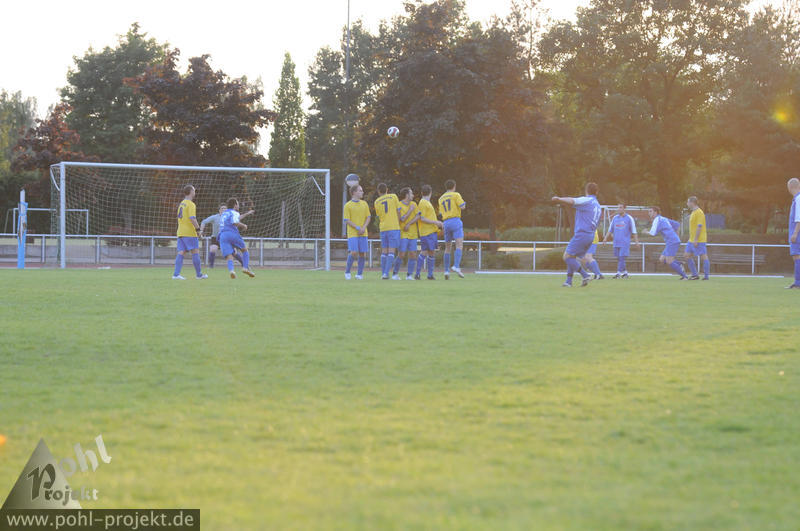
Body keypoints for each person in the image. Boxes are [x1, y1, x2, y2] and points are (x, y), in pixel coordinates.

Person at [551, 183, 601, 287]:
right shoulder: (597, 205)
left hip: (582, 234)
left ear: (586, 191)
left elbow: (572, 200)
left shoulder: (587, 200)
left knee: (566, 257)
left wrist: (559, 199)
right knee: (572, 256)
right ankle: (568, 281)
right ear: (597, 192)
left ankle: (585, 275)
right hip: (591, 235)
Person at [199, 204, 252, 268]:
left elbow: (238, 217)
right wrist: (201, 230)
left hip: (225, 237)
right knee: (213, 249)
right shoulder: (215, 217)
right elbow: (204, 222)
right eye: (222, 208)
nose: (224, 210)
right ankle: (211, 266)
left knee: (234, 252)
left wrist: (247, 213)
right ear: (219, 210)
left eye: (225, 208)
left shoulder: (229, 216)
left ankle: (244, 265)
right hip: (216, 237)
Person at [173, 185, 208, 280]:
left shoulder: (182, 203)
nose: (195, 192)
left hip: (181, 232)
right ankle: (199, 275)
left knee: (181, 252)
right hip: (189, 233)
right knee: (195, 252)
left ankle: (176, 274)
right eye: (194, 190)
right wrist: (198, 230)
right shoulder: (191, 204)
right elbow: (192, 218)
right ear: (191, 192)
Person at [219, 198, 255, 279]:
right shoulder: (234, 212)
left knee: (229, 256)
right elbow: (235, 222)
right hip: (232, 233)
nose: (239, 205)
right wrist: (244, 226)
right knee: (244, 250)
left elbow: (237, 218)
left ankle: (232, 271)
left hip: (222, 235)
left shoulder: (224, 213)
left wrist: (247, 213)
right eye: (238, 204)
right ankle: (245, 267)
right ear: (235, 205)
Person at [647, 206, 688, 279]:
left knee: (669, 261)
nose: (649, 213)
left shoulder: (657, 220)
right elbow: (677, 224)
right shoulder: (663, 218)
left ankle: (684, 276)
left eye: (650, 211)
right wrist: (676, 237)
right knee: (662, 259)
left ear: (655, 212)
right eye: (648, 211)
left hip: (672, 241)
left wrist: (645, 232)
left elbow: (652, 233)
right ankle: (679, 264)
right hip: (671, 241)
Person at [438, 179, 466, 279]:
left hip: (446, 222)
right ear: (454, 186)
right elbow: (462, 207)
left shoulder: (441, 198)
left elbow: (440, 213)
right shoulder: (456, 195)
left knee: (447, 247)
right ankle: (456, 266)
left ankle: (446, 271)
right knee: (459, 245)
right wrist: (464, 203)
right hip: (455, 221)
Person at [603, 204, 639, 278]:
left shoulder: (629, 218)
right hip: (616, 242)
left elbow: (634, 231)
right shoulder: (615, 218)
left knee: (622, 257)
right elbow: (610, 229)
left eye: (620, 207)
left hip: (625, 242)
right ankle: (625, 273)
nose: (618, 209)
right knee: (619, 258)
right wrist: (605, 238)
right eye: (618, 207)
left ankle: (618, 273)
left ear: (624, 209)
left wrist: (636, 242)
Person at [374, 183, 402, 279]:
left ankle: (383, 273)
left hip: (383, 228)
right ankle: (386, 273)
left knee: (384, 251)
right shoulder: (393, 196)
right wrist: (398, 221)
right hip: (393, 227)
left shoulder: (376, 202)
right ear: (387, 189)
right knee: (391, 251)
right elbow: (399, 210)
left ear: (378, 191)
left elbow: (378, 216)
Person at [342, 184, 370, 280]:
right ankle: (347, 272)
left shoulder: (364, 204)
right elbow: (347, 220)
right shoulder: (348, 205)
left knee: (362, 253)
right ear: (354, 192)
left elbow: (368, 217)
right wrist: (358, 228)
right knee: (354, 252)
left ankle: (359, 274)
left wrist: (363, 228)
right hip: (353, 233)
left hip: (363, 233)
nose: (362, 192)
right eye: (360, 190)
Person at [415, 184, 443, 280]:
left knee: (431, 252)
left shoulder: (427, 202)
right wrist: (436, 222)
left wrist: (437, 223)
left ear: (422, 192)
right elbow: (422, 218)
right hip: (426, 232)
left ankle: (430, 275)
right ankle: (417, 274)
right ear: (430, 192)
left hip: (431, 231)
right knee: (424, 251)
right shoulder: (423, 202)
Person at [396, 187, 420, 280]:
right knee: (401, 254)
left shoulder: (414, 204)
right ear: (407, 195)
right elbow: (402, 219)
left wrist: (409, 224)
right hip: (403, 233)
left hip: (413, 233)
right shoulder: (399, 205)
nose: (413, 195)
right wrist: (410, 210)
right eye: (411, 193)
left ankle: (409, 275)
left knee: (413, 254)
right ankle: (395, 273)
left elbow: (418, 216)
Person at [684, 196, 710, 280]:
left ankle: (706, 276)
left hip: (699, 240)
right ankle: (695, 275)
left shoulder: (699, 212)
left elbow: (699, 226)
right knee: (687, 256)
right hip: (691, 239)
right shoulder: (693, 212)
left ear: (692, 203)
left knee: (703, 256)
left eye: (688, 202)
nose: (687, 204)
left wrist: (696, 239)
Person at [786, 178, 800, 289]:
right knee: (796, 257)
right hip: (796, 232)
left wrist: (795, 233)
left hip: (797, 233)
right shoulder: (796, 199)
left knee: (797, 256)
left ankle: (798, 283)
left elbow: (799, 218)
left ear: (789, 187)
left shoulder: (798, 199)